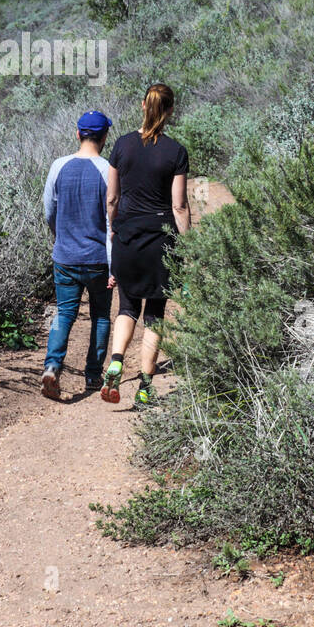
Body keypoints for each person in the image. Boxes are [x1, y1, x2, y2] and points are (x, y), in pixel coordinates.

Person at [102, 84, 190, 407]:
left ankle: (115, 360)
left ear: (143, 106)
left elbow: (112, 197)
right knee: (154, 313)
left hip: (127, 237)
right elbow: (179, 206)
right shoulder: (176, 151)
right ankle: (144, 387)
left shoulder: (122, 146)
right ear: (169, 111)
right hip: (160, 241)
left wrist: (114, 228)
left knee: (127, 307)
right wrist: (186, 247)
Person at [40, 110, 114, 400]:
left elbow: (49, 211)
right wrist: (113, 266)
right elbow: (112, 224)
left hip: (65, 257)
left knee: (64, 314)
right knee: (100, 316)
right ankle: (94, 375)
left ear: (77, 133)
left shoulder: (59, 166)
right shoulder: (108, 170)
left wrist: (61, 237)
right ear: (105, 136)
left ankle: (52, 365)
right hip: (98, 258)